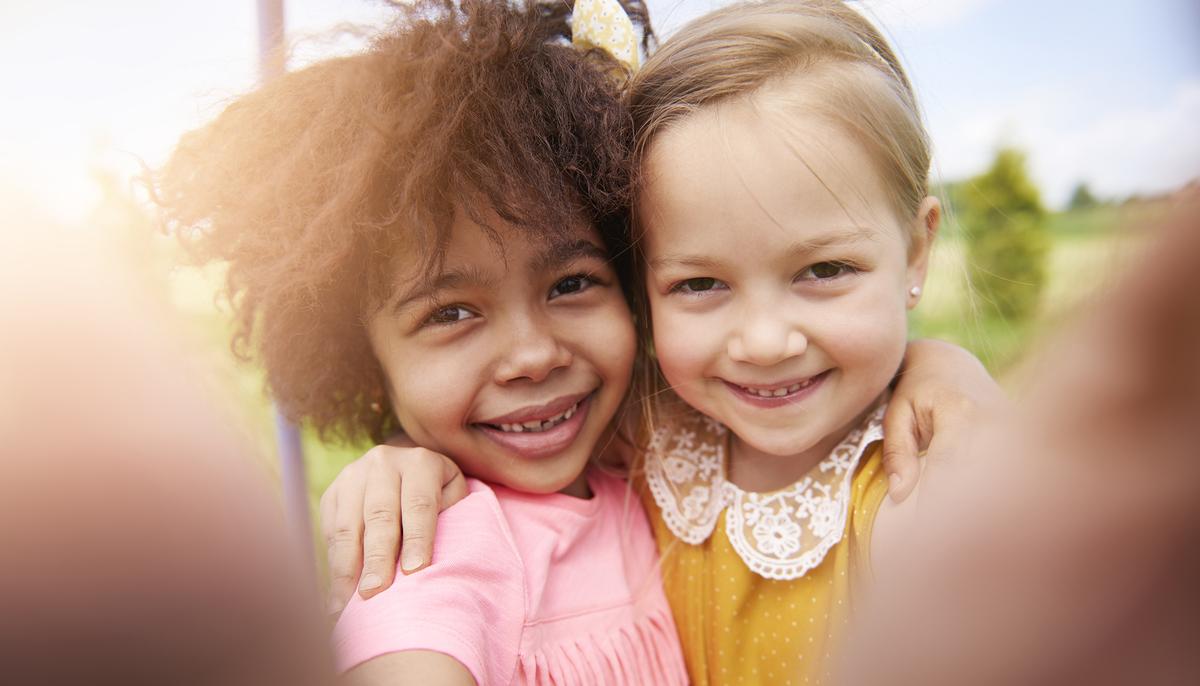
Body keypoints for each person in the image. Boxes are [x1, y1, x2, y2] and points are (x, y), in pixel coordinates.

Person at [320, 1, 1002, 683]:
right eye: (701, 284)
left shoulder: (916, 495)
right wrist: (405, 455)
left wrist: (945, 367)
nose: (764, 342)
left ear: (917, 252)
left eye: (825, 271)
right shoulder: (654, 434)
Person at [158, 1, 688, 683]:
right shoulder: (431, 549)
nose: (533, 355)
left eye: (570, 284)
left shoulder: (644, 461)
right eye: (451, 314)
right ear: (359, 352)